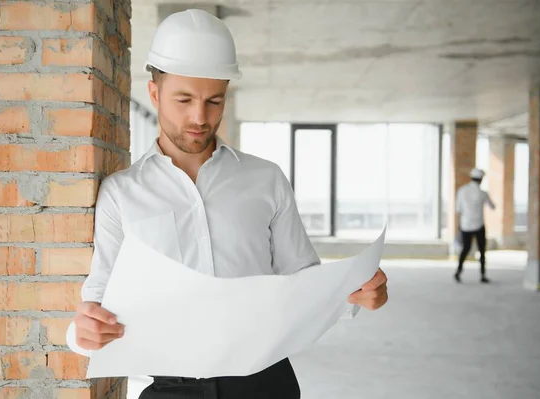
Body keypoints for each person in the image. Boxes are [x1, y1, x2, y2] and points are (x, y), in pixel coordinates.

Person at [69, 9, 389, 399]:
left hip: (266, 382)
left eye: (214, 101)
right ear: (154, 94)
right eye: (183, 99)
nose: (199, 117)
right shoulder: (122, 194)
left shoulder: (266, 180)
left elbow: (304, 281)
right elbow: (99, 299)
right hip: (171, 389)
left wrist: (354, 294)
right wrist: (80, 332)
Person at [454, 168, 495, 284]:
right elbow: (492, 206)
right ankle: (482, 275)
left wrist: (459, 225)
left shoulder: (462, 191)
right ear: (481, 179)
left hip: (465, 225)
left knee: (465, 249)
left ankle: (458, 271)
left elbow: (458, 209)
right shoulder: (482, 193)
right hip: (479, 225)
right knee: (481, 251)